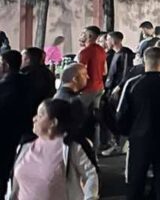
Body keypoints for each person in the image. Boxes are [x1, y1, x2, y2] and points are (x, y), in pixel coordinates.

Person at [116, 46, 160, 200]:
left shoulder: (133, 83)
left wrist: (128, 131)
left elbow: (121, 113)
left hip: (139, 137)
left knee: (136, 178)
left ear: (144, 61)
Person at [9, 99, 99, 200]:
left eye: (40, 115)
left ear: (53, 122)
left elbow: (90, 175)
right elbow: (14, 185)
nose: (34, 119)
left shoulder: (71, 147)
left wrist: (90, 197)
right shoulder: (25, 145)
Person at [99, 31, 135, 157]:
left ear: (115, 40)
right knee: (109, 116)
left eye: (108, 39)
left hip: (118, 91)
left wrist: (119, 87)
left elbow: (127, 73)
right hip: (111, 90)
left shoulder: (125, 54)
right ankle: (116, 142)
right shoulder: (114, 54)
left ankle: (120, 144)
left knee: (118, 117)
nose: (106, 42)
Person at [0, 50, 32, 193]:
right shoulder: (27, 81)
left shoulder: (5, 87)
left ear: (5, 65)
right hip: (22, 132)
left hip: (5, 134)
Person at [53, 64, 89, 143]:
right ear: (75, 79)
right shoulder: (74, 101)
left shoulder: (58, 95)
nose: (88, 77)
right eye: (84, 74)